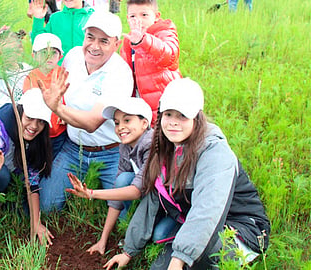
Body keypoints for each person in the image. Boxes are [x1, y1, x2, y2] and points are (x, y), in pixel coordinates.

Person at [104, 78, 270, 270]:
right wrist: (128, 251)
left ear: (196, 118)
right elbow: (152, 201)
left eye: (182, 116)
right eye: (168, 114)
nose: (173, 123)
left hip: (239, 228)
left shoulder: (215, 153)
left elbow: (207, 209)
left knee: (194, 262)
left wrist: (179, 258)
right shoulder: (165, 147)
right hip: (192, 221)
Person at [37, 11, 134, 213]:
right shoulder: (72, 57)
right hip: (74, 148)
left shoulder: (120, 74)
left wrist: (57, 108)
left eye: (104, 41)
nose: (94, 46)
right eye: (90, 37)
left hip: (111, 151)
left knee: (123, 216)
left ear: (116, 44)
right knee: (47, 207)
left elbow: (92, 123)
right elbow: (56, 87)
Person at [66, 97, 153, 255]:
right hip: (149, 196)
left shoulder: (151, 145)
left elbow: (136, 190)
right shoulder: (126, 146)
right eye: (117, 122)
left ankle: (144, 240)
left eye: (127, 120)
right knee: (122, 180)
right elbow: (118, 192)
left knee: (159, 235)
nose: (121, 127)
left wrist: (92, 193)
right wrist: (103, 240)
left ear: (144, 123)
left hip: (168, 203)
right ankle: (133, 229)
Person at [0, 89, 55, 245]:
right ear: (19, 112)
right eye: (29, 118)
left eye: (41, 121)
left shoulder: (35, 138)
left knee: (24, 213)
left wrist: (36, 222)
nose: (34, 126)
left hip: (10, 174)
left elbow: (32, 180)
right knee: (2, 176)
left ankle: (5, 200)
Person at [120, 0, 181, 127]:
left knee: (163, 139)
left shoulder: (164, 32)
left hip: (163, 102)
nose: (138, 20)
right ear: (127, 18)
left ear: (156, 16)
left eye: (144, 15)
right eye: (133, 16)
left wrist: (143, 41)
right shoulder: (129, 40)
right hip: (140, 103)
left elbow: (170, 56)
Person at [23, 33, 66, 157]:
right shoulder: (30, 77)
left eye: (53, 53)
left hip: (58, 132)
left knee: (54, 160)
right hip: (37, 132)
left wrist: (65, 112)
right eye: (43, 53)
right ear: (34, 56)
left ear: (60, 56)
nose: (49, 57)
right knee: (37, 159)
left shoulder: (63, 75)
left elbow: (69, 98)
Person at [29, 0, 94, 64]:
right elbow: (39, 44)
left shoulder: (93, 17)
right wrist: (38, 19)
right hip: (60, 71)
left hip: (86, 71)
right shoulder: (55, 18)